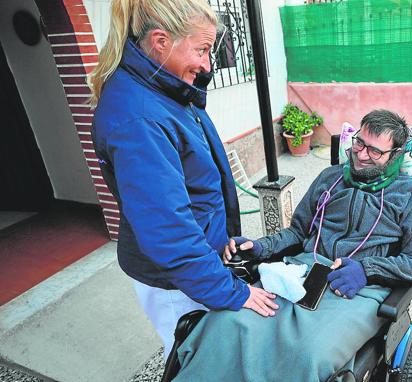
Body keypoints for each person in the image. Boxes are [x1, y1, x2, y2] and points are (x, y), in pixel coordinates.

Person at [172, 109, 412, 381]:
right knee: (226, 324)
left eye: (375, 151)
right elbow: (298, 231)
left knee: (309, 354)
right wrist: (260, 246)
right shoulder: (329, 178)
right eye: (359, 142)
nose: (362, 154)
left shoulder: (408, 194)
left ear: (394, 156)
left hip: (360, 289)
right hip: (300, 274)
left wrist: (367, 269)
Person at [89, 0, 277, 358]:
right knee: (199, 359)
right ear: (161, 41)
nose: (207, 64)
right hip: (173, 280)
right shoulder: (140, 118)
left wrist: (217, 237)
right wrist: (233, 292)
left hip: (192, 264)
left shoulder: (164, 86)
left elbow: (193, 188)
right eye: (203, 50)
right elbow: (167, 229)